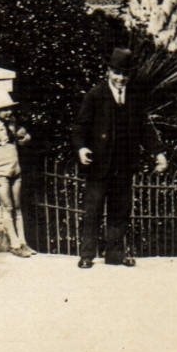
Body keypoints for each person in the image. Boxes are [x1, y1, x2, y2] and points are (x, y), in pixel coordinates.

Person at [72, 47, 149, 268]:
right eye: (117, 73)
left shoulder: (134, 98)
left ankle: (115, 254)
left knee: (119, 211)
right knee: (93, 211)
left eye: (125, 74)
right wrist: (81, 149)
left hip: (123, 167)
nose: (121, 78)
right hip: (99, 167)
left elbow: (144, 128)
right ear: (108, 71)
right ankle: (87, 255)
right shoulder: (95, 96)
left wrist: (158, 152)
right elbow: (79, 128)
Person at [0, 90, 35, 257]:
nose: (8, 112)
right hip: (0, 172)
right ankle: (14, 242)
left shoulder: (12, 123)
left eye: (9, 109)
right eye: (3, 109)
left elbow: (23, 138)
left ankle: (23, 242)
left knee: (18, 208)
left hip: (14, 170)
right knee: (8, 207)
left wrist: (25, 138)